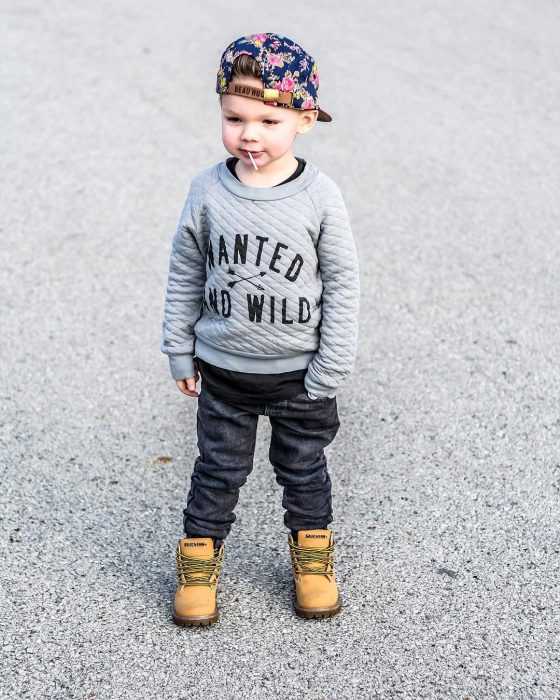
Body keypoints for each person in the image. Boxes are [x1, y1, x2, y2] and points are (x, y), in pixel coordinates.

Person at [161, 33, 360, 626]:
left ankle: (313, 558)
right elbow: (184, 270)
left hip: (301, 375)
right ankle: (199, 564)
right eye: (234, 117)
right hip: (224, 370)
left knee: (303, 470)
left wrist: (330, 367)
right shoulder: (206, 190)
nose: (250, 134)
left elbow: (345, 284)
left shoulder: (320, 197)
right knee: (217, 471)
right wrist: (179, 349)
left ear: (304, 120)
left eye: (268, 119)